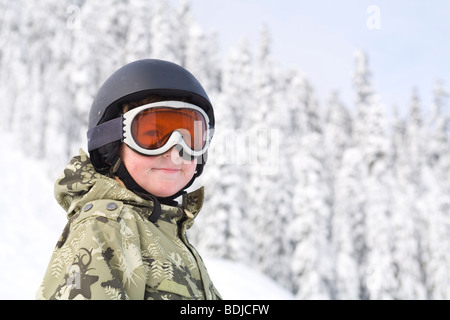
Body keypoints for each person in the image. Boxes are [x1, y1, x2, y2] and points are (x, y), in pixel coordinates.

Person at [36, 59, 222, 300]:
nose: (175, 151)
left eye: (190, 137)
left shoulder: (165, 233)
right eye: (152, 136)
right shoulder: (106, 227)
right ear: (111, 144)